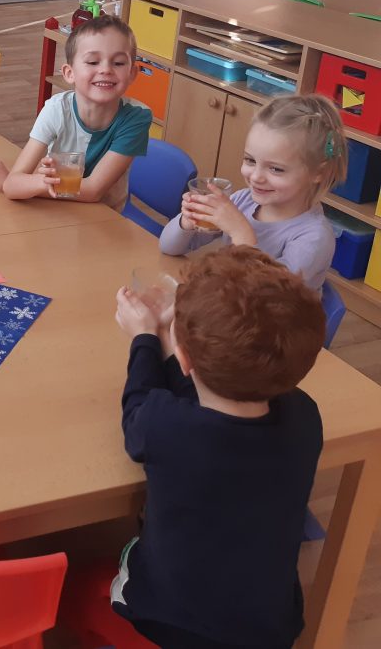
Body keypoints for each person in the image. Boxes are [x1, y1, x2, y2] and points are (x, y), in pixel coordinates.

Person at [111, 245, 323, 647]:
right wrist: (180, 345)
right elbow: (221, 397)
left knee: (111, 553)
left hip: (171, 625)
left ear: (184, 360)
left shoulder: (162, 425)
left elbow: (137, 408)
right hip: (270, 627)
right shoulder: (304, 415)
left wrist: (145, 339)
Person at [159, 93, 345, 292]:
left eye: (276, 169)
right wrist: (186, 222)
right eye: (250, 160)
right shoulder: (243, 200)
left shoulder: (314, 237)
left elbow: (268, 296)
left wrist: (242, 234)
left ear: (318, 173)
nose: (256, 177)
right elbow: (168, 247)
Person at [0, 16, 150, 209]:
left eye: (118, 63)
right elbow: (13, 185)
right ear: (69, 73)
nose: (105, 69)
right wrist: (29, 183)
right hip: (55, 210)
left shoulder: (137, 117)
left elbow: (93, 191)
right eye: (93, 61)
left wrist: (30, 184)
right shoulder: (56, 109)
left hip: (102, 217)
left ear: (132, 73)